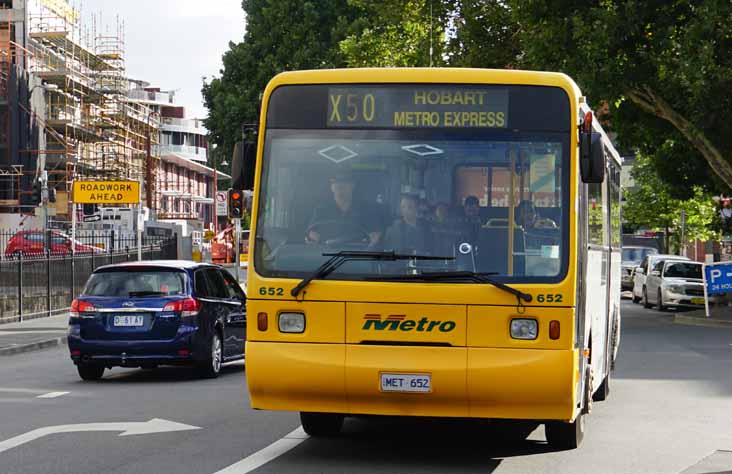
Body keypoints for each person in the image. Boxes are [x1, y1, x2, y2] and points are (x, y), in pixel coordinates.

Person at [306, 170, 382, 246]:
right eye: (336, 183)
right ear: (331, 187)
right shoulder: (321, 209)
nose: (340, 186)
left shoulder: (366, 209)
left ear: (353, 185)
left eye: (344, 183)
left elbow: (375, 234)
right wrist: (313, 237)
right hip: (326, 252)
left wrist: (374, 240)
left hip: (357, 253)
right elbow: (312, 232)